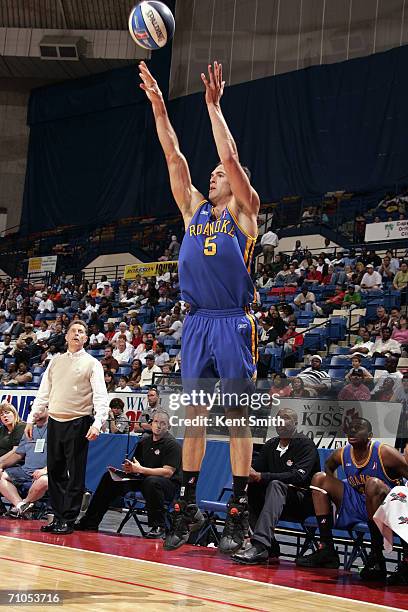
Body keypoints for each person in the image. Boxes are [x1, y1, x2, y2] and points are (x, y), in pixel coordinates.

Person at [139, 59, 260, 553]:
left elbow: (228, 155)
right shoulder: (192, 212)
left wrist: (213, 107)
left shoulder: (244, 212)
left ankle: (238, 515)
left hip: (232, 322)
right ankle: (187, 509)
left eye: (219, 174)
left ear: (235, 183)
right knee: (194, 417)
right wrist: (160, 108)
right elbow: (174, 158)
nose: (212, 177)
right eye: (209, 175)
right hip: (195, 324)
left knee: (235, 419)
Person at [295, 417, 408, 584]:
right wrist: (334, 498)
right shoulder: (342, 452)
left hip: (386, 508)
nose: (353, 431)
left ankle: (376, 556)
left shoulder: (384, 452)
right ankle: (326, 549)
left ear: (370, 435)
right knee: (319, 478)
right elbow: (329, 466)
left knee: (372, 484)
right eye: (351, 428)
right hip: (356, 503)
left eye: (358, 428)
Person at [25, 320, 108, 534]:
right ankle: (58, 516)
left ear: (86, 338)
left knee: (75, 473)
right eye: (73, 331)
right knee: (55, 472)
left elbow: (101, 396)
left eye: (81, 332)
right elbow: (44, 392)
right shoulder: (55, 362)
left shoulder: (92, 363)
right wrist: (32, 418)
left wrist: (98, 423)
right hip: (55, 420)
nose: (77, 334)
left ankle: (69, 519)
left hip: (79, 422)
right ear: (66, 336)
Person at [232, 408, 320, 564]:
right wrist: (248, 474)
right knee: (249, 488)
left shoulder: (305, 444)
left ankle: (259, 545)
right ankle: (269, 545)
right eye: (278, 418)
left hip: (302, 501)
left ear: (296, 423)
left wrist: (262, 476)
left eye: (286, 418)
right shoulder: (271, 444)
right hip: (275, 501)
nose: (281, 421)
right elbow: (257, 470)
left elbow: (298, 476)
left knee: (275, 485)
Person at [76, 411, 181, 538]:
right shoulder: (144, 442)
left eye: (163, 423)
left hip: (167, 485)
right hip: (144, 479)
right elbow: (136, 465)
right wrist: (129, 468)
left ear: (168, 427)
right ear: (151, 424)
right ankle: (90, 521)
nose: (159, 426)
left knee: (152, 482)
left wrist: (141, 469)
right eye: (156, 422)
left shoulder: (172, 445)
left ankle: (158, 526)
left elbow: (167, 472)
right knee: (109, 478)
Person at [0, 407, 48, 517]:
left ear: (48, 410)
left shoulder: (56, 430)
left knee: (44, 481)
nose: (36, 412)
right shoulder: (29, 429)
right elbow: (18, 454)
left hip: (45, 472)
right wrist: (1, 465)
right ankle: (20, 505)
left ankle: (24, 504)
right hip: (25, 471)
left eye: (40, 409)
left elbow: (63, 457)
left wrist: (45, 470)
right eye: (33, 410)